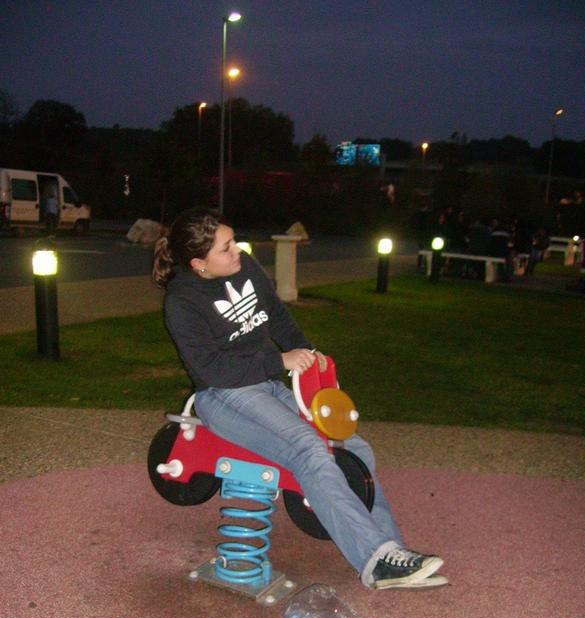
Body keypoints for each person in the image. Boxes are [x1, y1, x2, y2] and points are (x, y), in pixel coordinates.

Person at [152, 207, 447, 591]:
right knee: (307, 448)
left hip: (265, 384)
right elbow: (211, 370)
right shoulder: (182, 301)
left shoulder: (244, 266)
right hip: (223, 395)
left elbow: (275, 314)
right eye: (226, 248)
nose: (237, 250)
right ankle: (376, 561)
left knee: (351, 446)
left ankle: (393, 551)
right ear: (199, 264)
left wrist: (307, 353)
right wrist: (280, 361)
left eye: (233, 240)